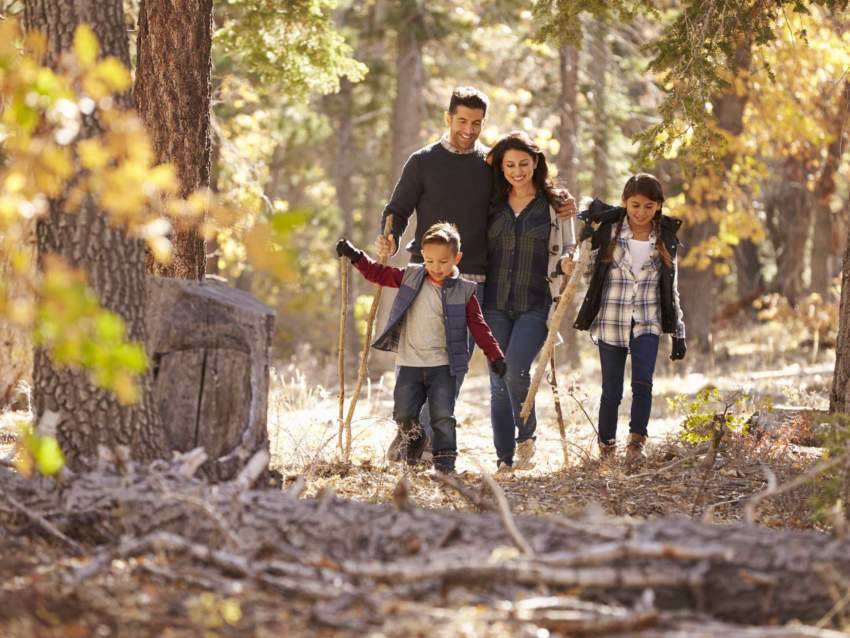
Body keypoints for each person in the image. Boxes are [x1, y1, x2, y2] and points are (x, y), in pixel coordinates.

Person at [375, 87, 577, 461]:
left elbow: (525, 191)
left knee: (455, 365)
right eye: (462, 120)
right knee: (421, 361)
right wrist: (389, 234)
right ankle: (410, 433)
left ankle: (423, 439)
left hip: (475, 283)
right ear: (448, 118)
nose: (469, 129)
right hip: (426, 276)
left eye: (477, 123)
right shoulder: (422, 161)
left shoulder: (489, 165)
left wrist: (562, 201)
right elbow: (398, 208)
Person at [336, 222, 507, 473]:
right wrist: (355, 256)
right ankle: (415, 439)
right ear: (423, 257)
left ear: (456, 258)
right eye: (430, 261)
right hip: (409, 364)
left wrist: (495, 355)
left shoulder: (464, 290)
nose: (436, 268)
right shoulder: (412, 276)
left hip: (443, 367)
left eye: (443, 261)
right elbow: (379, 274)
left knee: (442, 418)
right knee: (403, 413)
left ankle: (445, 465)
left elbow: (478, 325)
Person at [571, 173, 687, 465]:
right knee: (611, 389)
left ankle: (636, 443)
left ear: (659, 206)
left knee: (643, 383)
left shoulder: (665, 238)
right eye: (635, 205)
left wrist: (678, 332)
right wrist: (578, 258)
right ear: (624, 202)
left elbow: (671, 287)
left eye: (649, 206)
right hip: (612, 319)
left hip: (647, 320)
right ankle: (606, 446)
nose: (641, 213)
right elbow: (587, 272)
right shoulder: (608, 231)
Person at [483, 131, 577, 474]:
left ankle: (526, 437)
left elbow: (570, 246)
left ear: (536, 163)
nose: (517, 170)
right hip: (492, 304)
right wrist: (494, 154)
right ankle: (504, 458)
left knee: (515, 370)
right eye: (509, 164)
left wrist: (568, 261)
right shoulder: (491, 201)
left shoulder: (555, 204)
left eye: (524, 163)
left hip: (536, 304)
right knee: (497, 380)